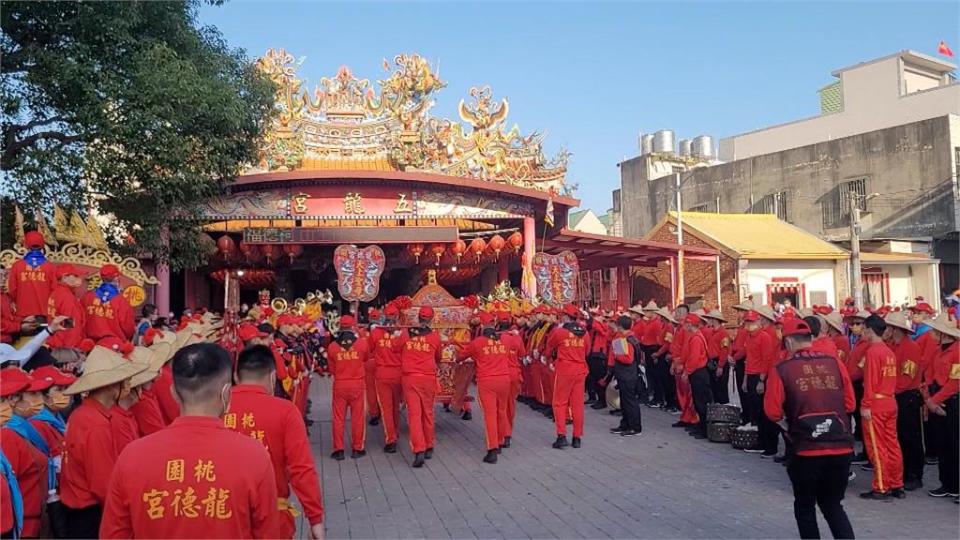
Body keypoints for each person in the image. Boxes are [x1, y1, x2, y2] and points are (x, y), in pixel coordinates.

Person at [99, 343, 284, 539]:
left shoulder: (132, 456)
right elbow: (267, 533)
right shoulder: (254, 456)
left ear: (174, 393)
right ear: (227, 393)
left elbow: (113, 534)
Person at [764, 317, 856, 540]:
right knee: (833, 505)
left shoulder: (782, 369)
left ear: (788, 343)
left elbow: (772, 411)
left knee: (805, 507)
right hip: (841, 447)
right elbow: (850, 403)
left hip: (806, 448)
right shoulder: (835, 363)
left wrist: (790, 425)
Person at [226, 345, 325, 539]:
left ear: (236, 377)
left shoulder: (217, 408)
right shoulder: (285, 411)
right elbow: (301, 469)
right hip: (272, 520)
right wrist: (315, 519)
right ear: (272, 377)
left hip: (223, 517)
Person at [60, 345, 147, 538]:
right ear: (110, 385)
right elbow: (103, 484)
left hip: (78, 510)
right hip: (90, 514)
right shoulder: (97, 424)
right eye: (123, 381)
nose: (128, 386)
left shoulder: (83, 414)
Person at [456, 312, 512, 464]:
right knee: (501, 411)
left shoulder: (477, 342)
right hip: (504, 379)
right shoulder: (506, 340)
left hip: (487, 381)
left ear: (481, 325)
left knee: (490, 415)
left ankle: (492, 449)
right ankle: (500, 441)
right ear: (494, 324)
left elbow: (461, 356)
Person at [858, 314, 904, 500]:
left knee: (876, 447)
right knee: (892, 444)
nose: (862, 332)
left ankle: (881, 486)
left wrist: (865, 404)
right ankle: (896, 484)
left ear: (870, 330)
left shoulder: (872, 351)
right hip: (890, 402)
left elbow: (870, 382)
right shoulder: (888, 351)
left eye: (863, 329)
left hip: (876, 404)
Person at [0, 368, 49, 539]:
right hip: (21, 527)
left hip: (29, 523)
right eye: (33, 394)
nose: (40, 399)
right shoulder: (7, 434)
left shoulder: (22, 429)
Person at [28, 365, 76, 539]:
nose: (65, 394)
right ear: (44, 396)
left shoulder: (56, 419)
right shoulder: (38, 425)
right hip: (50, 497)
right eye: (59, 389)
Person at [883, 311, 925, 491]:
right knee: (898, 436)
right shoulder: (892, 346)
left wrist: (888, 391)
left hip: (907, 397)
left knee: (910, 437)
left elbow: (907, 378)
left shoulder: (911, 348)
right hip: (895, 395)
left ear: (895, 329)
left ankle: (914, 475)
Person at [396, 307, 442, 468]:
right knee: (428, 413)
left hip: (410, 379)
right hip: (428, 378)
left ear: (418, 318)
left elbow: (396, 348)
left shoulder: (406, 334)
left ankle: (419, 450)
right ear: (431, 319)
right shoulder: (435, 337)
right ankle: (429, 445)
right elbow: (439, 357)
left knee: (414, 415)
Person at [922, 314, 959, 499]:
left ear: (943, 334)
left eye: (935, 331)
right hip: (937, 399)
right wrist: (929, 399)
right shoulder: (938, 351)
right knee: (943, 444)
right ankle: (947, 483)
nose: (931, 334)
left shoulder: (957, 352)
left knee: (956, 445)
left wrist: (934, 401)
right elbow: (928, 375)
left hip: (952, 402)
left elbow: (955, 382)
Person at [544, 304, 590, 449]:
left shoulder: (559, 332)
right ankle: (577, 438)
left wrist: (549, 360)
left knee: (560, 402)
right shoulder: (585, 333)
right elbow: (587, 351)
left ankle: (561, 435)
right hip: (580, 370)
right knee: (577, 405)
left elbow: (549, 347)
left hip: (564, 369)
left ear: (565, 316)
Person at [326, 315, 368, 460]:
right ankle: (357, 448)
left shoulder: (332, 346)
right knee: (357, 418)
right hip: (357, 384)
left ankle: (338, 450)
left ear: (339, 326)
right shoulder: (362, 344)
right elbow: (366, 358)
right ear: (352, 327)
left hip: (340, 385)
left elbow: (331, 370)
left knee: (338, 418)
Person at [742, 310, 779, 456]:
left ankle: (770, 444)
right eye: (747, 322)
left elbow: (767, 359)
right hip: (751, 375)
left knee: (764, 412)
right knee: (756, 412)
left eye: (751, 322)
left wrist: (762, 380)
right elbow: (749, 359)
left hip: (760, 376)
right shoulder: (749, 337)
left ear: (758, 322)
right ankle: (762, 441)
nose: (749, 325)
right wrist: (745, 379)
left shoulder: (764, 337)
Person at [369, 304, 403, 453]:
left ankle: (391, 439)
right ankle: (396, 432)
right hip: (399, 374)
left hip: (382, 374)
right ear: (397, 316)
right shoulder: (403, 333)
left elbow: (368, 350)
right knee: (395, 407)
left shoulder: (376, 333)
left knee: (386, 409)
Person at [6, 231, 57, 318]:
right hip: (45, 314)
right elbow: (55, 291)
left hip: (23, 314)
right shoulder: (51, 267)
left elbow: (12, 290)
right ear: (43, 246)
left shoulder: (17, 266)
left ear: (26, 245)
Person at [81, 264, 135, 344]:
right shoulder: (121, 301)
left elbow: (80, 320)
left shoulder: (87, 297)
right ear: (116, 278)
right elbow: (128, 328)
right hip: (115, 346)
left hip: (92, 345)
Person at [607, 315, 642, 437]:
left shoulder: (627, 340)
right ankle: (626, 424)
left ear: (620, 326)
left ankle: (635, 427)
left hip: (628, 374)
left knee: (629, 401)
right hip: (627, 374)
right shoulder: (630, 338)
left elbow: (628, 359)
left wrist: (616, 355)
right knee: (625, 401)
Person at [682, 314, 713, 440]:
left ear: (690, 324)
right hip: (698, 371)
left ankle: (704, 429)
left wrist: (687, 372)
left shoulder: (696, 338)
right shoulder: (697, 336)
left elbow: (694, 358)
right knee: (698, 400)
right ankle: (701, 426)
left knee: (701, 401)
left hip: (698, 372)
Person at [498, 311, 526, 447]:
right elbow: (522, 354)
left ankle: (504, 433)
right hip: (514, 374)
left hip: (501, 374)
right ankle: (508, 433)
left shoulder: (496, 338)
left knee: (500, 406)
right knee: (510, 405)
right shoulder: (516, 337)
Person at [44, 264, 87, 349]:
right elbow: (71, 327)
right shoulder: (66, 297)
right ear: (65, 277)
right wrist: (72, 349)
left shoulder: (56, 292)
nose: (78, 278)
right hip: (65, 345)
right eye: (75, 275)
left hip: (55, 339)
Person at [703, 309, 731, 404]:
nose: (708, 321)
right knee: (714, 389)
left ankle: (724, 414)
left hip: (719, 362)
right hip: (712, 361)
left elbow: (724, 349)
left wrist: (720, 366)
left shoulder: (723, 333)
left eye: (710, 319)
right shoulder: (712, 332)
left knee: (721, 389)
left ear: (714, 320)